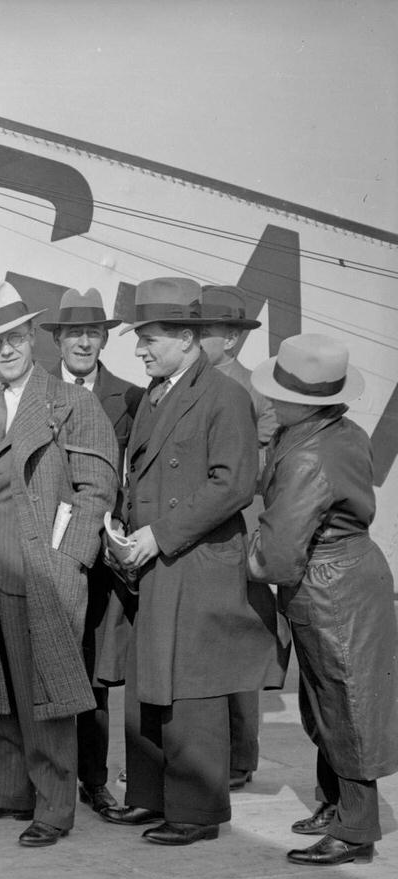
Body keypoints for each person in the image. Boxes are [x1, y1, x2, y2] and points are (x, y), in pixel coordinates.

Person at [0, 281, 117, 848]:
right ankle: (6, 792)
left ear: (32, 337)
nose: (6, 350)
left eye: (14, 337)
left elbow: (98, 488)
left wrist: (69, 559)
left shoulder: (72, 403)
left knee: (46, 690)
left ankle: (55, 806)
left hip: (39, 567)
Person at [103, 277, 282, 845]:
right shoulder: (158, 391)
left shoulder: (224, 396)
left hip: (196, 559)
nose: (139, 349)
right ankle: (152, 797)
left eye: (149, 338)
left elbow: (233, 485)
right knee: (150, 681)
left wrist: (159, 534)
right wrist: (126, 532)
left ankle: (198, 813)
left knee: (193, 687)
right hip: (156, 558)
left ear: (186, 337)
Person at [246, 334, 397, 866]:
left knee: (345, 702)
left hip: (329, 584)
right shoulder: (341, 429)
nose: (269, 399)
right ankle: (336, 803)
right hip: (352, 573)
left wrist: (239, 557)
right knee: (327, 698)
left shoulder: (307, 453)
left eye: (277, 393)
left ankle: (356, 829)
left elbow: (281, 551)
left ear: (299, 402)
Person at [39, 287, 143, 817]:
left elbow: (134, 475)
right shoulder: (33, 391)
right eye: (73, 332)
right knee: (46, 669)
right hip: (42, 554)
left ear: (104, 338)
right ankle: (42, 780)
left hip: (98, 558)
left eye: (93, 332)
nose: (83, 341)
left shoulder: (129, 396)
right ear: (56, 339)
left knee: (95, 676)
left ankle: (94, 780)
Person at [198, 283, 278, 791]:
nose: (194, 337)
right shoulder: (191, 384)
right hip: (204, 534)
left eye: (202, 330)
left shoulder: (252, 391)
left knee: (237, 646)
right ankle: (212, 755)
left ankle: (239, 759)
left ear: (229, 339)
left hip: (238, 532)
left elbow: (265, 460)